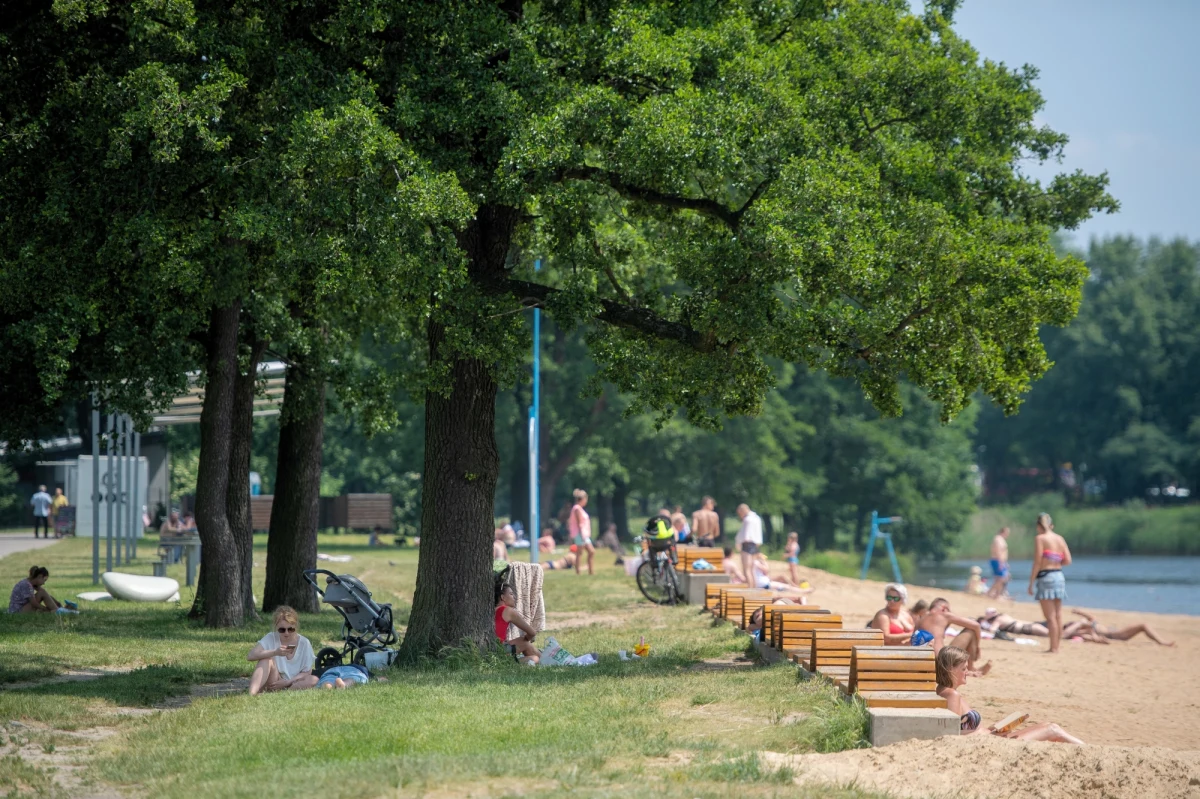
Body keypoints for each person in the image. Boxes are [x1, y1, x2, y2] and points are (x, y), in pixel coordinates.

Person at [936, 646, 1083, 744]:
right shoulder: (951, 695)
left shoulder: (947, 692)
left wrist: (991, 729)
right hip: (987, 743)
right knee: (1051, 729)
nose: (967, 672)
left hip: (990, 738)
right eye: (964, 669)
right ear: (950, 669)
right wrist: (984, 733)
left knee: (1047, 725)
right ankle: (1088, 749)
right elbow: (951, 737)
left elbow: (962, 728)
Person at [247, 605, 317, 694]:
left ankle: (287, 691)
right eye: (282, 630)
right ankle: (252, 694)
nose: (286, 633)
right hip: (275, 680)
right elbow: (250, 656)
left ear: (295, 626)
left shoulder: (304, 643)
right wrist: (275, 652)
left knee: (313, 679)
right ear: (276, 627)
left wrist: (288, 682)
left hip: (293, 682)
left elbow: (307, 672)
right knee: (266, 660)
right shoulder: (271, 637)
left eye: (290, 629)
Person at [1028, 512, 1071, 654]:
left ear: (1039, 525)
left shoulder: (1040, 538)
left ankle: (1053, 648)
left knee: (1050, 617)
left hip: (1046, 577)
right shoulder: (1060, 539)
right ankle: (1057, 646)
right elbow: (1067, 560)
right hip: (1059, 576)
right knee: (1058, 615)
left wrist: (1031, 582)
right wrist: (1054, 559)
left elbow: (1037, 562)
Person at [913, 598, 990, 675]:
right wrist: (977, 647)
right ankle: (970, 668)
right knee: (971, 630)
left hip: (923, 664)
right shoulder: (943, 614)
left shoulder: (920, 619)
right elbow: (976, 625)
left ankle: (967, 668)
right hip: (942, 663)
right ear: (944, 608)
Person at [1071, 608, 1176, 647]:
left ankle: (1161, 641)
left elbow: (1091, 617)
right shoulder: (1081, 629)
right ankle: (1162, 642)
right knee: (1143, 625)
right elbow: (1087, 636)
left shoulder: (1088, 624)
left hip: (1115, 631)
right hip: (1115, 635)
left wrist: (1079, 612)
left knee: (1142, 626)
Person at [495, 583, 540, 664]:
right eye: (511, 594)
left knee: (533, 657)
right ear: (503, 597)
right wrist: (526, 638)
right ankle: (548, 661)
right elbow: (532, 633)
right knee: (526, 643)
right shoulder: (507, 610)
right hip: (498, 651)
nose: (514, 597)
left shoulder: (492, 610)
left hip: (492, 649)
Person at [734, 503, 762, 590]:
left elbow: (745, 535)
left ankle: (749, 588)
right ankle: (754, 588)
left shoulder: (747, 520)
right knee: (752, 569)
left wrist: (738, 542)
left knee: (746, 569)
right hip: (755, 545)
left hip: (747, 545)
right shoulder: (757, 518)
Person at [569, 489, 595, 575]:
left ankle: (590, 571)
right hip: (580, 534)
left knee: (591, 551)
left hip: (583, 535)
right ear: (582, 499)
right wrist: (582, 536)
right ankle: (578, 571)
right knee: (580, 553)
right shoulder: (577, 509)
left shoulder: (579, 508)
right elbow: (579, 523)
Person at [987, 527, 1011, 598]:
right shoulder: (998, 539)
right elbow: (998, 551)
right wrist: (1001, 563)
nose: (1008, 534)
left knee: (1001, 578)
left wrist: (1005, 562)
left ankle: (996, 594)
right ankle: (994, 594)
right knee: (1001, 578)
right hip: (998, 561)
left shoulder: (1000, 539)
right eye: (1007, 532)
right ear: (1003, 532)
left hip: (1000, 561)